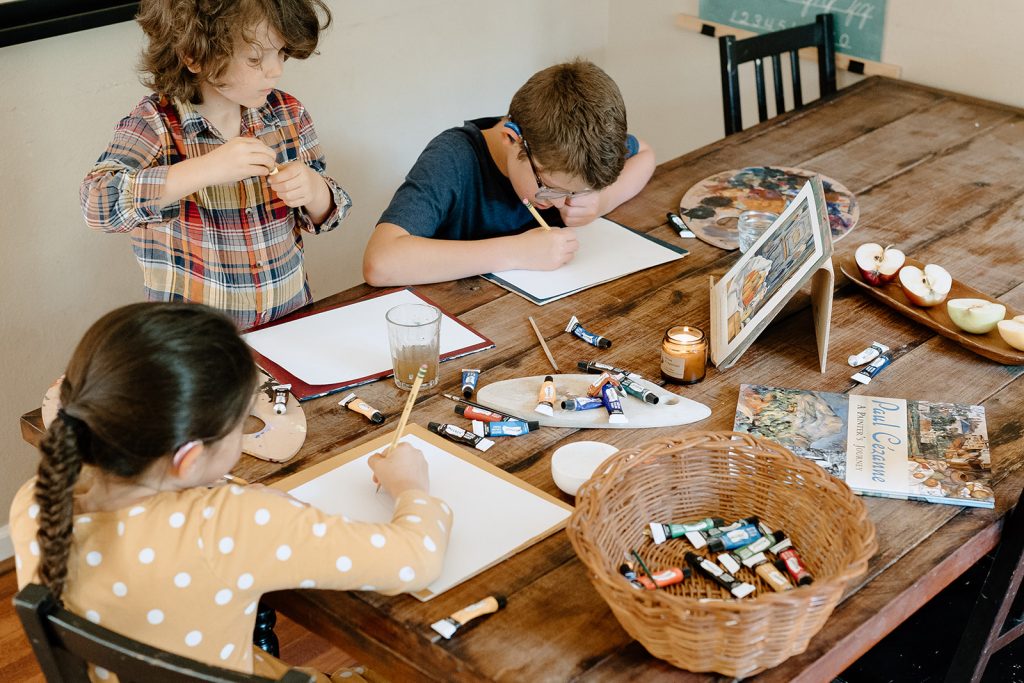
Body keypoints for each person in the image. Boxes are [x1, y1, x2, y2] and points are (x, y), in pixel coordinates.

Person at [10, 303, 450, 682]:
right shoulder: (229, 523)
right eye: (241, 425)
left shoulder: (36, 499)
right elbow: (417, 559)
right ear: (187, 459)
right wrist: (410, 486)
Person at [81, 0, 352, 330]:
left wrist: (313, 189)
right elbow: (97, 204)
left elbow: (329, 215)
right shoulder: (155, 124)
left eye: (281, 53)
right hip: (197, 343)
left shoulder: (287, 114)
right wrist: (207, 169)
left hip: (288, 327)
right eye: (255, 59)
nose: (276, 70)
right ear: (194, 57)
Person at [362, 59, 656, 286]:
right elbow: (380, 262)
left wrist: (602, 200)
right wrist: (517, 252)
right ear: (512, 139)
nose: (561, 202)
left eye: (576, 192)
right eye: (550, 187)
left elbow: (645, 154)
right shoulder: (453, 158)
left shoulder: (580, 147)